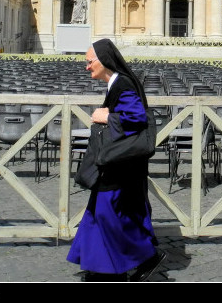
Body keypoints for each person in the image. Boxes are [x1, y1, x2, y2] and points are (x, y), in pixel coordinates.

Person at [67, 39, 166, 282]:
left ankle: (147, 257)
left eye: (90, 62)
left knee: (107, 213)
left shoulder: (123, 84)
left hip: (121, 164)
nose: (87, 67)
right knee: (98, 212)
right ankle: (102, 267)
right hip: (114, 162)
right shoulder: (116, 83)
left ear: (105, 61)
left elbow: (136, 117)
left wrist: (106, 115)